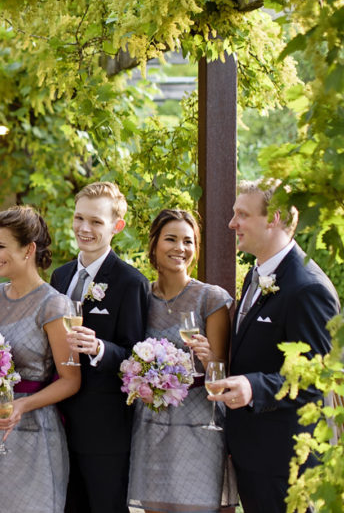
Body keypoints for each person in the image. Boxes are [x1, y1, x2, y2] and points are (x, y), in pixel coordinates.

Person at [207, 180, 339, 513]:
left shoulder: (308, 288)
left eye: (242, 214)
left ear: (274, 218)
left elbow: (314, 378)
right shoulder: (256, 275)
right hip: (255, 454)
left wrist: (252, 387)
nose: (231, 223)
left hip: (288, 463)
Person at [0, 205, 81, 513]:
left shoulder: (54, 306)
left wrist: (21, 405)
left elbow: (71, 381)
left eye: (0, 246)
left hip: (32, 430)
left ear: (29, 249)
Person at [126, 209, 236, 512]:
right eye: (171, 239)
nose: (180, 248)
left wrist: (208, 356)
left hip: (198, 423)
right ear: (154, 245)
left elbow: (222, 372)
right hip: (151, 425)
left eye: (188, 241)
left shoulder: (210, 299)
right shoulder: (140, 297)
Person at [50, 181, 149, 513]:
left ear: (116, 227)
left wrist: (99, 348)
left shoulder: (131, 282)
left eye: (96, 221)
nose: (84, 228)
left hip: (105, 429)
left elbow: (136, 355)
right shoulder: (59, 277)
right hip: (60, 422)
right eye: (79, 218)